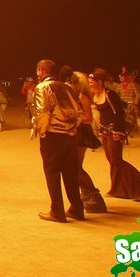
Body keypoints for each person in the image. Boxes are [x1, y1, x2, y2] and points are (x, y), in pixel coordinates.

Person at [89, 69, 140, 200]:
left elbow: (119, 113)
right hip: (104, 131)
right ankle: (117, 189)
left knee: (117, 160)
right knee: (111, 161)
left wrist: (118, 131)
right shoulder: (95, 95)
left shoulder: (110, 94)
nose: (90, 84)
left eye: (92, 82)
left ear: (100, 82)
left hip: (114, 131)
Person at [32, 59, 84, 222]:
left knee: (52, 173)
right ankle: (77, 208)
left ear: (41, 71)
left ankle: (57, 211)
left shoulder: (42, 87)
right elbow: (81, 111)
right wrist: (72, 127)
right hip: (71, 135)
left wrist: (41, 131)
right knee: (70, 173)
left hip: (53, 136)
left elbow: (42, 113)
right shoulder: (67, 87)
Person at [59, 66, 107, 213]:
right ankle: (87, 194)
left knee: (75, 168)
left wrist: (73, 120)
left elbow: (88, 118)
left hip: (82, 134)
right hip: (78, 133)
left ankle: (93, 195)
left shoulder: (82, 96)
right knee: (74, 167)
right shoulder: (75, 96)